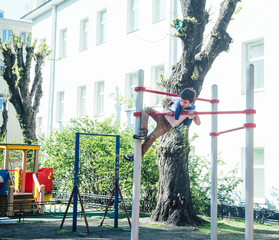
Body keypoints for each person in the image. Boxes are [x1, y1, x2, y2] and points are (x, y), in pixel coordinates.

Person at [124, 88, 201, 162]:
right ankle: (143, 132)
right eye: (181, 101)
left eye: (185, 102)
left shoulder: (190, 111)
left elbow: (198, 123)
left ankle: (136, 156)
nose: (182, 103)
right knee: (147, 109)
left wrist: (195, 113)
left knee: (151, 137)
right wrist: (167, 109)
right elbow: (165, 99)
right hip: (162, 117)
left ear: (190, 103)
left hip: (166, 125)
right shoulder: (177, 99)